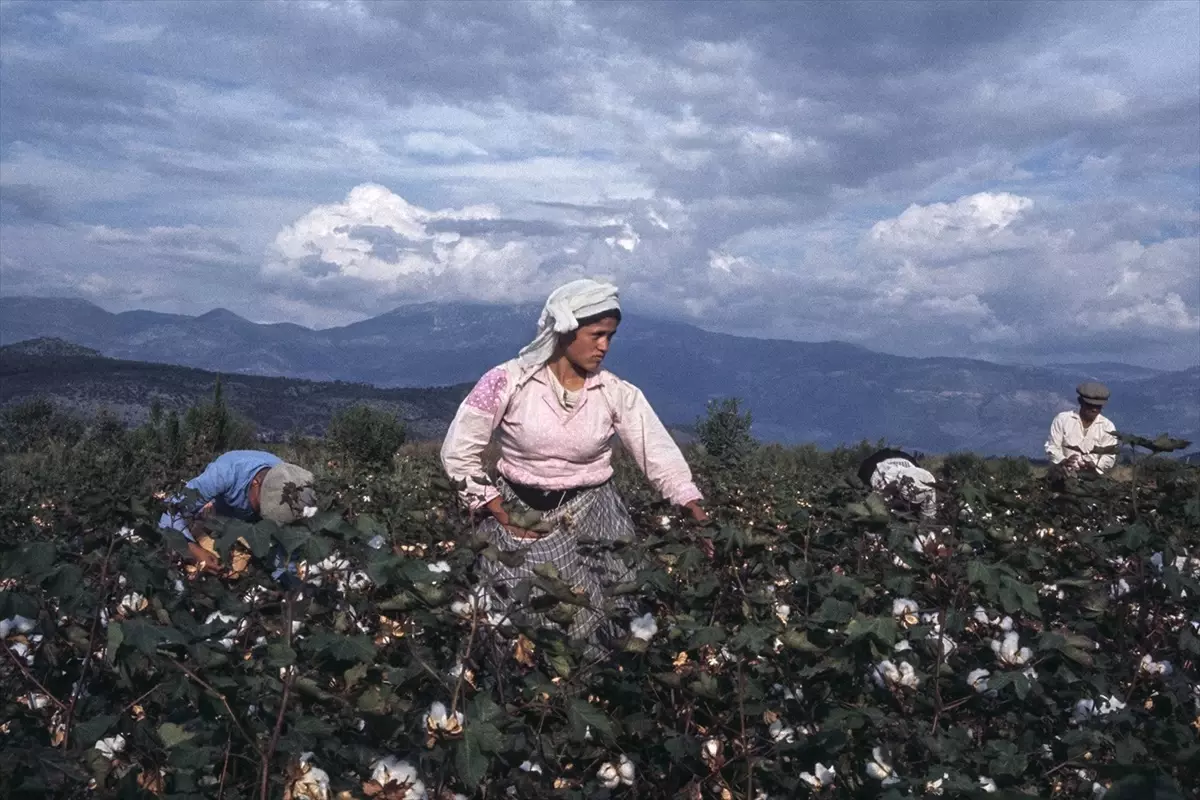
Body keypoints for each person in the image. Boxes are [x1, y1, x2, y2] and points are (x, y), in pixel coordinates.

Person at [440, 278, 707, 647]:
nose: (604, 347)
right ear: (564, 331)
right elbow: (459, 450)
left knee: (603, 618)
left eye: (610, 337)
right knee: (519, 623)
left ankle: (596, 690)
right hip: (518, 514)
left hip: (595, 516)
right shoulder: (506, 381)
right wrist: (499, 511)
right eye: (596, 334)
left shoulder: (616, 393)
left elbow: (657, 453)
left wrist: (691, 505)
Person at [159, 450, 316, 572]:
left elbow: (289, 548)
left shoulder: (295, 488)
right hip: (217, 519)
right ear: (256, 483)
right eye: (263, 508)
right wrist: (194, 551)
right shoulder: (225, 473)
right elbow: (169, 511)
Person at [1045, 382, 1117, 475]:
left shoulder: (1108, 427)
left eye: (1098, 406)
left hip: (1092, 480)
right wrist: (1063, 460)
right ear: (1080, 401)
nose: (1094, 409)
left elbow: (1109, 457)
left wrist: (1094, 465)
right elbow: (1052, 446)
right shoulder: (1062, 420)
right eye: (1090, 405)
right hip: (1062, 475)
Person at [857, 448, 937, 519]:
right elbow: (879, 509)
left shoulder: (927, 483)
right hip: (873, 466)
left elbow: (928, 516)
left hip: (905, 460)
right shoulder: (883, 484)